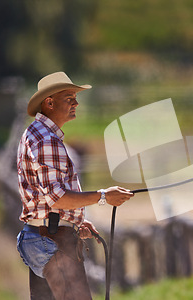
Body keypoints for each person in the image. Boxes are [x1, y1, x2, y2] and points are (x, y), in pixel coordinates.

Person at [16, 71, 133, 299]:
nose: (76, 103)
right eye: (69, 98)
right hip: (53, 241)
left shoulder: (35, 133)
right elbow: (57, 197)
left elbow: (47, 198)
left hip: (42, 236)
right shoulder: (47, 139)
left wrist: (72, 221)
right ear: (49, 102)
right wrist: (103, 196)